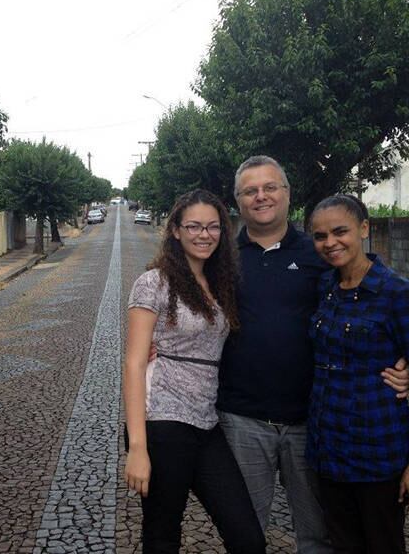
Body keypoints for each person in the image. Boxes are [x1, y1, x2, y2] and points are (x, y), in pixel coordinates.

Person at [217, 156, 409, 553]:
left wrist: (396, 362)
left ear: (287, 194)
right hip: (242, 417)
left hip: (314, 422)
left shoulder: (319, 253)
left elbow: (366, 303)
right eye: (250, 190)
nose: (261, 196)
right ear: (237, 201)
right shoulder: (221, 257)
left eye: (270, 187)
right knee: (244, 533)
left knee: (318, 536)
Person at [123, 189, 266, 554]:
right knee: (162, 535)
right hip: (163, 422)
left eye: (214, 227)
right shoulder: (154, 283)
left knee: (247, 537)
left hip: (207, 422)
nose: (205, 235)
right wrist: (137, 447)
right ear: (175, 230)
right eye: (195, 226)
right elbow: (135, 363)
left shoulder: (220, 284)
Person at [306, 194, 409, 553]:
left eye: (340, 231)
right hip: (328, 453)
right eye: (320, 236)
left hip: (378, 456)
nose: (330, 243)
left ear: (363, 229)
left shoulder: (397, 295)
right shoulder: (326, 289)